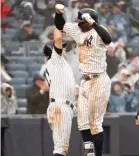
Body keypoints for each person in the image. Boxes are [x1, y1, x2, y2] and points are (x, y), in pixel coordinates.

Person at [54, 5, 112, 156]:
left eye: (82, 21)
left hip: (98, 80)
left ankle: (98, 154)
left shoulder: (98, 31)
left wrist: (93, 23)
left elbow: (108, 39)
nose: (79, 23)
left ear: (91, 21)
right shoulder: (78, 30)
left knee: (94, 123)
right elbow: (60, 25)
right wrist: (59, 13)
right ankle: (90, 154)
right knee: (82, 123)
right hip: (85, 81)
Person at [43, 28, 76, 156]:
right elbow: (57, 38)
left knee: (61, 147)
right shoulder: (55, 60)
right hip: (60, 106)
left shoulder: (60, 65)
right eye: (61, 47)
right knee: (61, 148)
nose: (64, 49)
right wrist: (58, 23)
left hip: (60, 105)